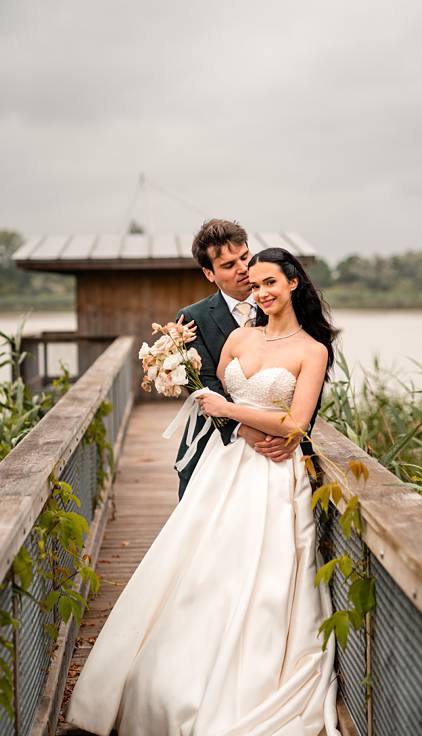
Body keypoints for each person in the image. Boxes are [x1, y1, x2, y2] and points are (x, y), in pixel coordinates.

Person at [66, 247, 341, 735]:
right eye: (254, 285)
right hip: (226, 467)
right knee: (202, 572)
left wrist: (230, 410)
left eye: (270, 282)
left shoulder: (312, 350)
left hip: (276, 476)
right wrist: (224, 410)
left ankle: (246, 679)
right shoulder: (238, 337)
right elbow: (213, 393)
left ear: (293, 283)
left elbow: (296, 424)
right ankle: (174, 677)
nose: (261, 292)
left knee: (264, 581)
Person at [172, 220, 299, 499]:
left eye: (245, 257)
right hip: (215, 444)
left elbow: (309, 378)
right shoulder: (193, 318)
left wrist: (297, 432)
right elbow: (202, 385)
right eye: (229, 265)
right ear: (209, 273)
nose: (243, 268)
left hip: (280, 447)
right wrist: (241, 429)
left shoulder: (284, 305)